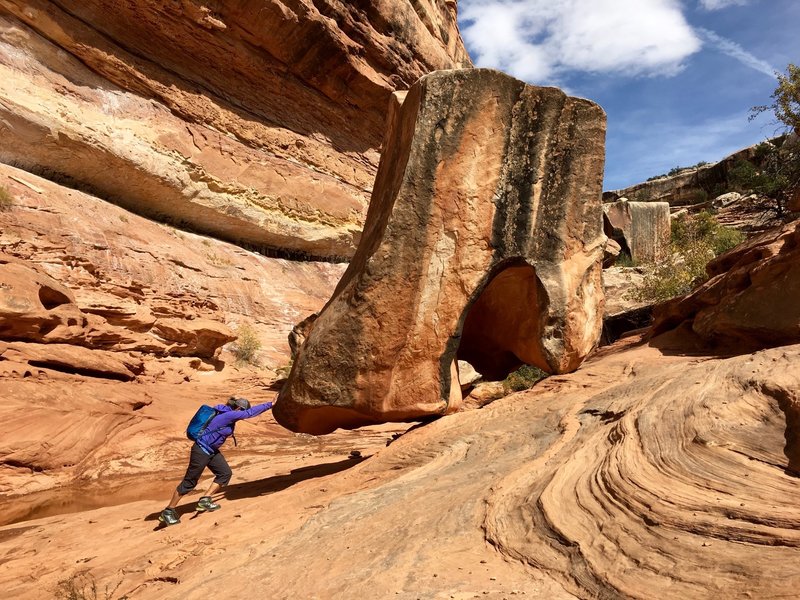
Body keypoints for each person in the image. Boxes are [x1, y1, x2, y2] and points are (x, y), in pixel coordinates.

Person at [159, 396, 273, 526]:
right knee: (190, 482)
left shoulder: (226, 414)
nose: (241, 414)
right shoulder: (229, 415)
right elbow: (249, 414)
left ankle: (205, 499)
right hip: (201, 450)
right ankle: (168, 511)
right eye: (241, 411)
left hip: (211, 451)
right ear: (239, 408)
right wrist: (270, 404)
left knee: (225, 473)